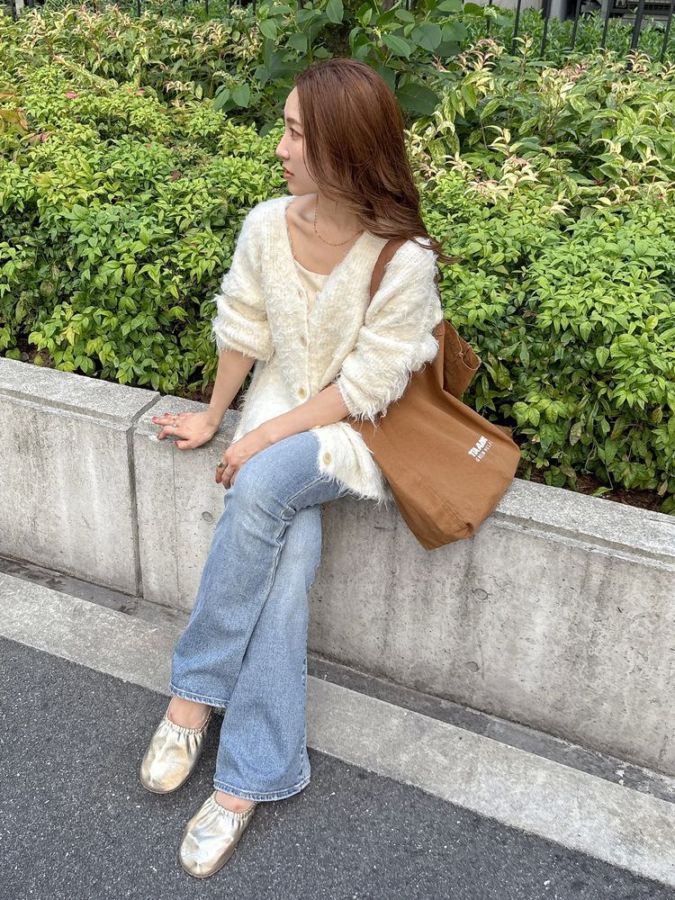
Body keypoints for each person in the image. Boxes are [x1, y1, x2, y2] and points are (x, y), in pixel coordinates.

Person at [138, 57, 450, 879]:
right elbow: (243, 327)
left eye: (297, 135)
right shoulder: (266, 225)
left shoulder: (403, 258)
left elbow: (367, 387)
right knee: (289, 551)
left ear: (346, 149)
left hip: (359, 430)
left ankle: (191, 696)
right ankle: (249, 777)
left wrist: (260, 441)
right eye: (283, 129)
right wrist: (216, 416)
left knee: (265, 481)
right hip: (281, 403)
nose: (280, 149)